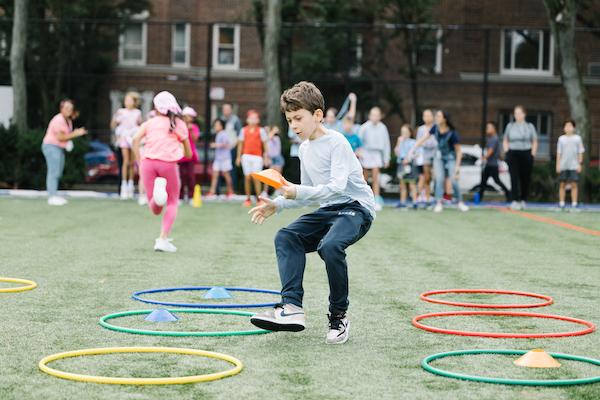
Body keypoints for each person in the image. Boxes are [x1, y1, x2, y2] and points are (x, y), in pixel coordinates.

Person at [248, 81, 375, 345]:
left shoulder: (337, 142)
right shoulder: (304, 148)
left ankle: (338, 317)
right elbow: (310, 192)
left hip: (355, 207)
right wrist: (278, 203)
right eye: (289, 119)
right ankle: (292, 308)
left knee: (330, 246)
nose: (293, 125)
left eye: (298, 118)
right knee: (286, 237)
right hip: (328, 209)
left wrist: (295, 192)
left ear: (317, 116)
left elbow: (336, 187)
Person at [132, 91, 192, 253]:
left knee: (155, 208)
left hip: (148, 164)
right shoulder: (178, 124)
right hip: (168, 165)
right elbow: (188, 154)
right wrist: (180, 148)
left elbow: (135, 140)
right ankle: (162, 239)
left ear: (156, 107)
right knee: (172, 202)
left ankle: (158, 199)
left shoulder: (149, 123)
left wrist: (139, 160)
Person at [408, 110, 469, 213]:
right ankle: (438, 203)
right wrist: (412, 149)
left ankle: (460, 202)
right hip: (438, 157)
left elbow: (459, 152)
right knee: (439, 179)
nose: (436, 118)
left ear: (444, 119)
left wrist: (457, 167)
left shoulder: (452, 133)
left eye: (439, 116)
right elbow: (423, 138)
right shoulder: (435, 128)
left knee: (454, 180)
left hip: (451, 158)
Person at [41, 99, 88, 206]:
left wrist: (69, 141)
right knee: (53, 171)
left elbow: (65, 137)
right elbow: (60, 137)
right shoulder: (58, 120)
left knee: (58, 171)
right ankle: (52, 196)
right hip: (51, 146)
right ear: (61, 108)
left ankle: (54, 194)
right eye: (66, 108)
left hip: (58, 148)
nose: (69, 110)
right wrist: (76, 134)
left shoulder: (68, 120)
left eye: (71, 109)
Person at [503, 105, 538, 210]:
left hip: (526, 152)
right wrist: (507, 151)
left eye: (519, 113)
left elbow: (535, 141)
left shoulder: (529, 126)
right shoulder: (510, 126)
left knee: (525, 178)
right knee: (513, 177)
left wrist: (532, 153)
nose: (517, 115)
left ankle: (523, 199)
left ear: (524, 114)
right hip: (513, 153)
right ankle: (514, 200)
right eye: (515, 113)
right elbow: (505, 139)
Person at [111, 92, 142, 200]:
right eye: (126, 100)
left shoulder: (137, 113)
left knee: (132, 163)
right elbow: (113, 124)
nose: (127, 102)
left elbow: (140, 125)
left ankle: (130, 185)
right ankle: (124, 186)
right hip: (124, 137)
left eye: (129, 100)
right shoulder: (121, 112)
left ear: (134, 102)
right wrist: (115, 118)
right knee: (126, 161)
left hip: (133, 137)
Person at [359, 107, 391, 211]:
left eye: (377, 115)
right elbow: (359, 142)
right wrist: (359, 153)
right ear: (370, 116)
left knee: (376, 178)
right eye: (373, 115)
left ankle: (376, 200)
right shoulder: (364, 127)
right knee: (364, 178)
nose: (375, 117)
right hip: (365, 153)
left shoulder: (383, 127)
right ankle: (363, 199)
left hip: (377, 154)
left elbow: (386, 143)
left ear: (380, 116)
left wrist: (387, 158)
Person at [236, 110, 270, 207]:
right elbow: (240, 144)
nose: (253, 120)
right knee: (247, 177)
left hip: (257, 157)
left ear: (258, 120)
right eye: (251, 118)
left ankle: (259, 199)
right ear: (247, 119)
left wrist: (266, 156)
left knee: (256, 177)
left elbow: (265, 144)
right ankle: (248, 199)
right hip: (246, 156)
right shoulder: (243, 130)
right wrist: (238, 157)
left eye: (255, 118)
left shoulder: (261, 130)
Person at [478, 121, 510, 202]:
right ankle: (479, 197)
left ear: (493, 128)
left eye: (488, 127)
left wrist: (484, 158)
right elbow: (499, 153)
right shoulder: (493, 138)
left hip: (492, 165)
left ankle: (509, 193)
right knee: (484, 182)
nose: (487, 129)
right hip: (490, 164)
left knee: (495, 181)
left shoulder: (494, 138)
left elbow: (490, 151)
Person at [556, 119, 584, 210]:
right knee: (562, 184)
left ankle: (574, 203)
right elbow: (559, 153)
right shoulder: (561, 139)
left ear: (574, 128)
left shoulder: (577, 138)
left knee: (574, 184)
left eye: (570, 126)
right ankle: (561, 203)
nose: (568, 128)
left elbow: (580, 152)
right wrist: (558, 165)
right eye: (566, 126)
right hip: (563, 165)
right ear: (564, 128)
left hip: (574, 165)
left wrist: (580, 164)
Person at [206, 118, 234, 199]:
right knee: (215, 175)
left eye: (217, 125)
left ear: (222, 126)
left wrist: (216, 145)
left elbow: (227, 144)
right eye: (215, 125)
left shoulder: (224, 134)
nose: (216, 127)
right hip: (218, 159)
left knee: (226, 175)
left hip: (225, 158)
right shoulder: (218, 134)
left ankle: (230, 191)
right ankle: (212, 191)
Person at [178, 106, 200, 203]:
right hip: (180, 155)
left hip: (190, 156)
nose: (190, 118)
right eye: (188, 116)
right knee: (180, 176)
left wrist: (190, 130)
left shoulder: (194, 127)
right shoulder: (179, 126)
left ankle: (191, 197)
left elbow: (195, 139)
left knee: (191, 177)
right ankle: (180, 197)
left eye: (191, 117)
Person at [415, 109, 437, 206]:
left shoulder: (437, 127)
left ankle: (436, 198)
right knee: (426, 177)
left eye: (429, 115)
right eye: (425, 116)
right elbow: (418, 143)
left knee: (435, 177)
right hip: (424, 155)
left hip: (435, 154)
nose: (427, 118)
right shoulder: (421, 129)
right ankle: (425, 198)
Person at [394, 124, 418, 209]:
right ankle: (402, 202)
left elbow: (416, 153)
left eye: (406, 132)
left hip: (410, 164)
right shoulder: (400, 141)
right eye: (402, 132)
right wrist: (398, 143)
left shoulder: (413, 142)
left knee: (412, 184)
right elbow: (397, 153)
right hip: (401, 164)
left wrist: (408, 159)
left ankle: (415, 202)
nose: (404, 134)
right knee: (402, 184)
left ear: (410, 133)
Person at [222, 103, 242, 193]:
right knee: (223, 169)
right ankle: (224, 189)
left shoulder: (235, 120)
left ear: (231, 110)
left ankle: (232, 190)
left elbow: (239, 135)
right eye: (224, 109)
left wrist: (233, 145)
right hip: (222, 149)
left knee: (231, 169)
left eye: (227, 109)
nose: (225, 111)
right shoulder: (222, 120)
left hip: (232, 148)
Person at [266, 126, 285, 196]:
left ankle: (278, 191)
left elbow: (270, 137)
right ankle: (265, 192)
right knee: (269, 176)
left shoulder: (276, 138)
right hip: (272, 159)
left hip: (277, 159)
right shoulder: (268, 139)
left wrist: (273, 131)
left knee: (277, 176)